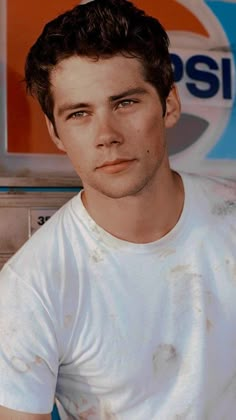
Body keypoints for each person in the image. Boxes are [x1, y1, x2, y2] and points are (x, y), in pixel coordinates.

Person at [0, 0, 236, 418]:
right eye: (79, 113)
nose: (106, 135)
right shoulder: (31, 286)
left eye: (125, 103)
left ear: (170, 104)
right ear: (56, 133)